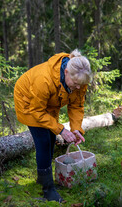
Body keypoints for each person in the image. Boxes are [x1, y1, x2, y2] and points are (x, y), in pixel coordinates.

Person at [14, 49, 91, 202]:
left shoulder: (80, 80)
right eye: (75, 84)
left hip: (48, 105)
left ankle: (43, 179)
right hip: (29, 104)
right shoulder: (44, 79)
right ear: (66, 72)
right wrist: (61, 129)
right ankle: (48, 190)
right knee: (43, 141)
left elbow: (76, 106)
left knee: (50, 138)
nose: (78, 88)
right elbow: (37, 110)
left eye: (80, 85)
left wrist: (76, 129)